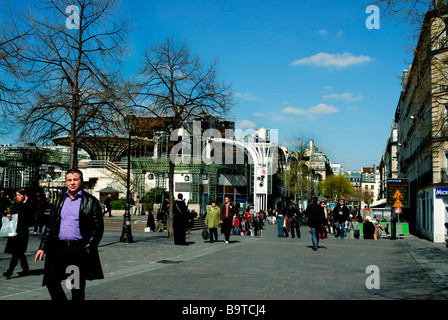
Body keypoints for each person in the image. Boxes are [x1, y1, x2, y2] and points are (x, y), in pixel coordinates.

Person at [34, 169, 104, 300]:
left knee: (76, 286)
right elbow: (51, 226)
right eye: (69, 180)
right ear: (66, 182)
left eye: (75, 179)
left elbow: (97, 227)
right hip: (58, 248)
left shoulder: (91, 201)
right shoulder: (60, 201)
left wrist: (88, 247)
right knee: (51, 281)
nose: (72, 183)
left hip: (77, 249)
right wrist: (42, 247)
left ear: (81, 181)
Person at [3, 188, 32, 279]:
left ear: (24, 196)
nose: (17, 197)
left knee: (16, 252)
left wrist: (26, 202)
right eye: (16, 195)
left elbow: (24, 213)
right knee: (19, 252)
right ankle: (25, 269)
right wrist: (9, 215)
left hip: (22, 232)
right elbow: (14, 214)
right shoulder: (15, 205)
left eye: (19, 195)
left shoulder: (27, 205)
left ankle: (9, 271)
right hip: (15, 231)